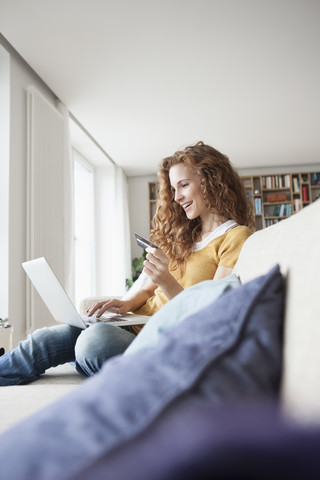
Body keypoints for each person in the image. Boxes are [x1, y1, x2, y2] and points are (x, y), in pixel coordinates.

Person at [0, 141, 254, 386]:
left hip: (164, 339)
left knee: (93, 343)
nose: (176, 197)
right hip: (135, 327)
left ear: (211, 181)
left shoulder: (235, 237)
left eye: (184, 185)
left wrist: (166, 281)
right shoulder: (183, 236)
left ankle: (113, 370)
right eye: (174, 189)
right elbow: (145, 289)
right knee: (43, 339)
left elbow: (213, 315)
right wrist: (123, 304)